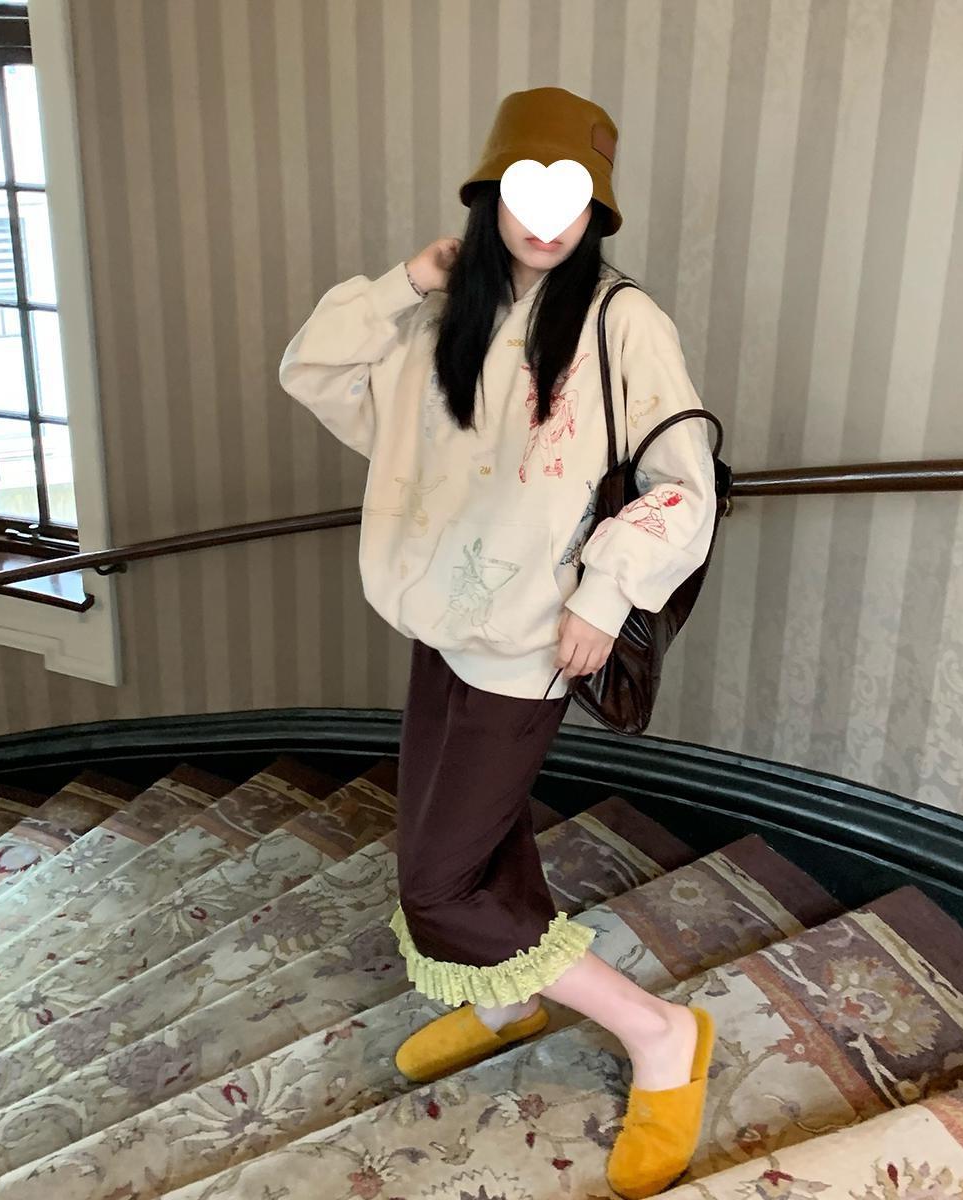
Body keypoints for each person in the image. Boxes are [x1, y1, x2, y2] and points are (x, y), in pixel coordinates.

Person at [279, 86, 717, 1199]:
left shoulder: (621, 322)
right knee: (475, 843)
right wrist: (407, 281)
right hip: (440, 623)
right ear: (488, 197)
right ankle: (506, 997)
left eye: (573, 198)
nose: (548, 218)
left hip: (531, 641)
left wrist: (605, 597)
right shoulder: (446, 318)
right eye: (526, 191)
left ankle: (660, 1031)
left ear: (597, 211)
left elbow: (684, 483)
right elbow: (314, 371)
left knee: (438, 884)